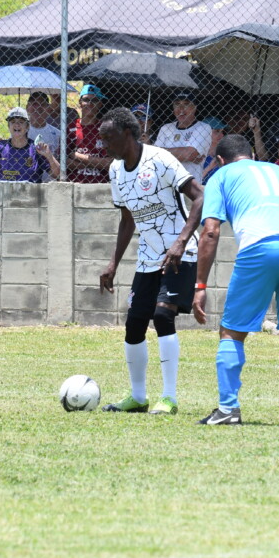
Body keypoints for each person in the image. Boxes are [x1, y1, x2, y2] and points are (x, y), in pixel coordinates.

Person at [191, 134, 279, 426]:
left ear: (221, 160)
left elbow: (211, 231)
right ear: (252, 156)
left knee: (231, 331)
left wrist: (200, 285)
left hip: (262, 244)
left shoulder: (220, 175)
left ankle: (228, 409)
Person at [98, 107, 204, 416]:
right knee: (134, 324)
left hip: (180, 253)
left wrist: (181, 241)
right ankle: (138, 397)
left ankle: (168, 398)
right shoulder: (115, 171)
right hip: (148, 256)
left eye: (109, 138)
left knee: (162, 316)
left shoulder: (160, 159)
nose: (104, 145)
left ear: (127, 134)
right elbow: (127, 219)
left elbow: (200, 196)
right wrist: (113, 263)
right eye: (102, 139)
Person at [0, 107, 59, 182]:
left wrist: (49, 156)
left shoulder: (35, 148)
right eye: (13, 122)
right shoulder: (1, 147)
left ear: (27, 127)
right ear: (9, 126)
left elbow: (58, 175)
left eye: (21, 122)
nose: (17, 125)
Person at [152, 92, 212, 185]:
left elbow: (189, 154)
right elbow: (154, 157)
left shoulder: (203, 128)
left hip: (189, 185)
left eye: (186, 104)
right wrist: (181, 153)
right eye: (177, 104)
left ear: (195, 107)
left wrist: (160, 152)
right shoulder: (166, 128)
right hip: (165, 184)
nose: (181, 109)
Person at [66, 84, 111, 183]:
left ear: (100, 104)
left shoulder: (106, 129)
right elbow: (63, 161)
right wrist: (95, 162)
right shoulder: (70, 128)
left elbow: (108, 163)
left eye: (94, 100)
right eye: (86, 100)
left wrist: (76, 156)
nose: (90, 103)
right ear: (80, 103)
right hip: (75, 184)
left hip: (100, 185)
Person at [200, 116, 227, 180]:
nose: (222, 135)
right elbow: (193, 181)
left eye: (222, 131)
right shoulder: (196, 154)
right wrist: (210, 167)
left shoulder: (225, 152)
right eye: (217, 131)